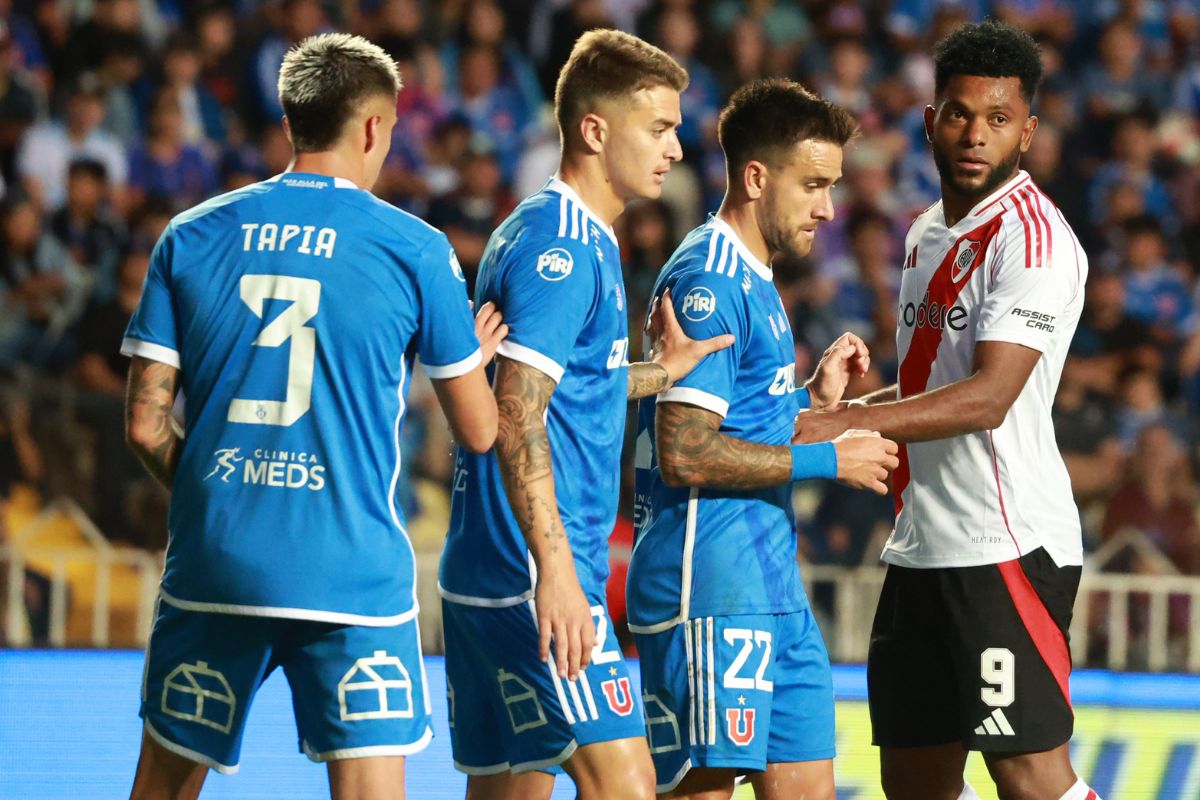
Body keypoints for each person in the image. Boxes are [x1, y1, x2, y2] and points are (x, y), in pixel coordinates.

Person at [121, 34, 504, 800]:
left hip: (215, 559)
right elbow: (480, 431)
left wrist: (212, 489)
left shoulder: (190, 234)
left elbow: (143, 423)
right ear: (372, 128)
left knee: (161, 790)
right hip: (350, 570)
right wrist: (477, 364)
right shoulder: (415, 248)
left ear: (292, 119)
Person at [793, 21, 1098, 800]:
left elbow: (990, 398)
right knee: (915, 783)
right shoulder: (929, 232)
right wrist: (854, 405)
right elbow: (937, 385)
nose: (975, 135)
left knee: (1032, 778)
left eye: (999, 120)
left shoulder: (1033, 241)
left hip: (1005, 543)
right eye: (960, 114)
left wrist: (844, 426)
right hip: (922, 545)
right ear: (930, 122)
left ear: (1026, 133)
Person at [437, 29, 730, 800]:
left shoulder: (553, 230)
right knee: (627, 786)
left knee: (513, 790)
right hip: (533, 570)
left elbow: (567, 384)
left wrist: (660, 372)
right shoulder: (562, 245)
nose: (675, 147)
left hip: (491, 567)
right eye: (659, 127)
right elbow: (518, 408)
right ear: (596, 130)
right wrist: (559, 574)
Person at [626, 79, 900, 800]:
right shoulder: (708, 280)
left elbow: (742, 421)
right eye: (813, 184)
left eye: (832, 186)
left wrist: (815, 400)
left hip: (771, 586)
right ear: (756, 177)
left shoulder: (758, 278)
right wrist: (827, 458)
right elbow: (685, 450)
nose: (827, 208)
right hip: (708, 586)